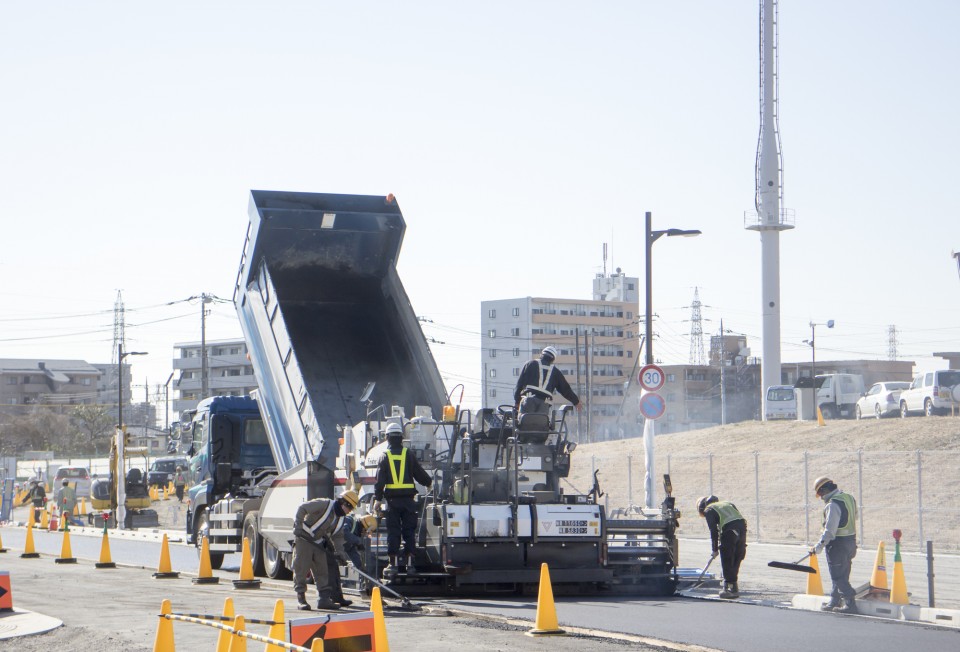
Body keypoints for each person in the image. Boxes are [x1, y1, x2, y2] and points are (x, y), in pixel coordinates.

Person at [373, 422, 432, 577]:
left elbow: (380, 480)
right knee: (409, 532)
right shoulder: (408, 454)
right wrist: (429, 483)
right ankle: (410, 565)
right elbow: (419, 473)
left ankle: (392, 565)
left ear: (387, 438)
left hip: (392, 502)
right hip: (408, 502)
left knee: (394, 532)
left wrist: (378, 500)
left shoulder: (384, 456)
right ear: (401, 437)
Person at [292, 489, 359, 611]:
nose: (349, 511)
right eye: (349, 508)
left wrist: (340, 553)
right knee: (301, 568)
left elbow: (337, 536)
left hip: (318, 543)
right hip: (304, 538)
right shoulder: (324, 504)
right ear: (344, 503)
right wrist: (298, 525)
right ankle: (301, 599)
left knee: (322, 571)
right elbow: (302, 508)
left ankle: (324, 600)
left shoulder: (341, 518)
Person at [810, 476, 858, 613]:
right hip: (851, 542)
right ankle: (834, 600)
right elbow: (856, 516)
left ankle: (850, 602)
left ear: (824, 490)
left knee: (837, 576)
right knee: (843, 573)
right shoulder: (849, 497)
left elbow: (830, 531)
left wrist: (819, 546)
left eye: (820, 494)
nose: (820, 497)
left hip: (837, 545)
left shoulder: (832, 504)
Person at [697, 495, 747, 599]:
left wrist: (715, 549)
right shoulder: (728, 503)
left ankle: (728, 588)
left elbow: (713, 531)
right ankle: (734, 588)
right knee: (737, 558)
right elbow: (739, 519)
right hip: (742, 530)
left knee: (727, 558)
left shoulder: (709, 510)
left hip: (729, 531)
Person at [326, 513, 379, 607]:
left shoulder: (354, 533)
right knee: (331, 574)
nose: (364, 534)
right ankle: (329, 599)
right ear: (364, 527)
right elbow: (344, 533)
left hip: (333, 551)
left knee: (335, 574)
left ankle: (338, 598)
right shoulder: (349, 521)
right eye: (365, 531)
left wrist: (361, 568)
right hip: (325, 548)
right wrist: (357, 542)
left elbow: (351, 551)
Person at [513, 346, 582, 416]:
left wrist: (517, 401)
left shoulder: (530, 364)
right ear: (553, 359)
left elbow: (519, 384)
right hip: (544, 404)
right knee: (541, 425)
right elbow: (565, 389)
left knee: (524, 424)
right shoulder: (555, 372)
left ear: (542, 354)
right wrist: (576, 402)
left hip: (528, 401)